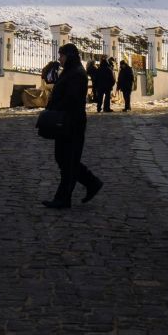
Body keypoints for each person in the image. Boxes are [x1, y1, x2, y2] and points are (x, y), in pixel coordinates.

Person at [43, 42, 102, 209]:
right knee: (65, 159)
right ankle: (92, 183)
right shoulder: (69, 71)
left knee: (68, 160)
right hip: (66, 123)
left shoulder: (77, 73)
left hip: (72, 123)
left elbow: (72, 99)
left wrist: (55, 106)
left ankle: (63, 198)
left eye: (62, 55)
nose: (59, 59)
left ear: (69, 56)